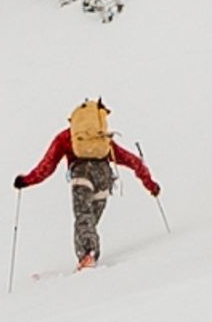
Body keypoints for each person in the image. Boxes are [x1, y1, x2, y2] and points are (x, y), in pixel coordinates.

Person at [13, 98, 161, 270]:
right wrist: (151, 185)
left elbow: (46, 167)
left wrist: (26, 181)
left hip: (81, 175)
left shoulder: (66, 137)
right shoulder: (101, 140)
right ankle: (89, 254)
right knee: (89, 221)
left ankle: (88, 256)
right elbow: (133, 161)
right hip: (104, 178)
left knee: (83, 217)